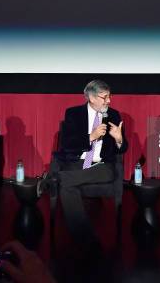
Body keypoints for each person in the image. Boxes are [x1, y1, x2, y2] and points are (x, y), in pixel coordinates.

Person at [42, 79, 128, 246]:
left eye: (110, 97)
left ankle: (53, 179)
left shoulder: (114, 115)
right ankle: (86, 240)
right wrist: (91, 137)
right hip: (77, 163)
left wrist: (119, 139)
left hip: (102, 165)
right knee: (68, 186)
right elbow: (67, 144)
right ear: (91, 97)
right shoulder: (73, 114)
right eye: (105, 97)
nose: (109, 101)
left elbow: (122, 149)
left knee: (67, 180)